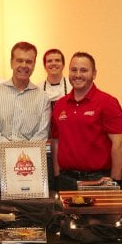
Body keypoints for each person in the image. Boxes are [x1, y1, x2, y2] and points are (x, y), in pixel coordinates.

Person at [0, 41, 51, 201]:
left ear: (34, 65)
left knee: (29, 211)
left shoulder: (42, 97)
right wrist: (9, 153)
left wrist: (20, 156)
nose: (24, 65)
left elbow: (42, 133)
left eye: (29, 61)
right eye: (19, 60)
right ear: (12, 62)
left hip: (30, 166)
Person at [51, 52, 122, 190]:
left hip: (98, 180)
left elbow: (119, 143)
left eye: (84, 70)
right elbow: (56, 142)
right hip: (66, 179)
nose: (78, 74)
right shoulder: (59, 105)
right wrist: (57, 176)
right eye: (73, 70)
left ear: (94, 74)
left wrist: (116, 181)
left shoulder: (108, 103)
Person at [37, 49, 72, 190]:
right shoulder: (37, 89)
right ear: (44, 65)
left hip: (66, 145)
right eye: (49, 61)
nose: (53, 63)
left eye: (57, 60)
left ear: (63, 64)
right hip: (43, 147)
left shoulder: (72, 87)